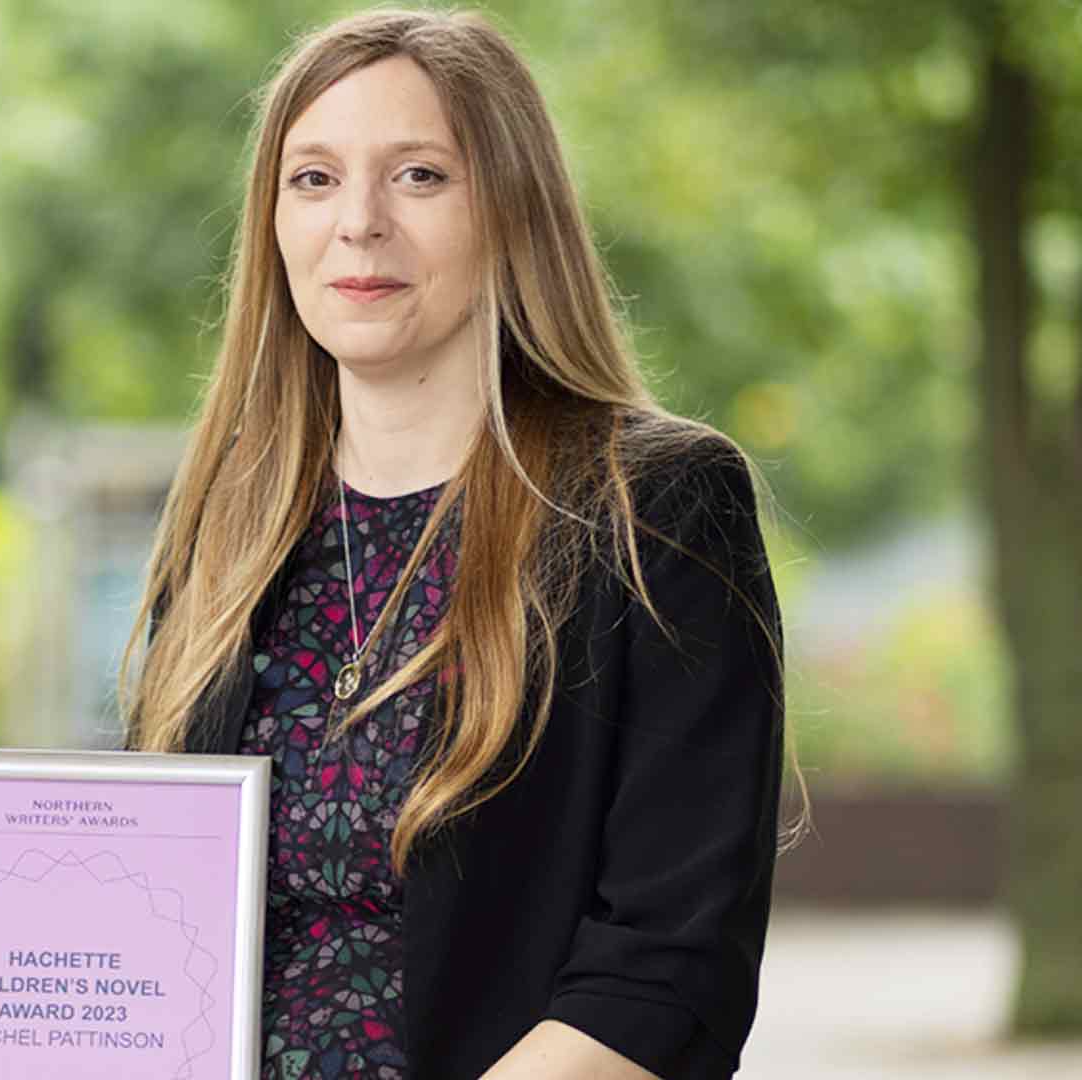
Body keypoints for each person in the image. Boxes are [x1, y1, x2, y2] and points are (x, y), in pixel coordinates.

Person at [120, 7, 808, 1080]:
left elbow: (668, 970)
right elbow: (141, 926)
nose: (359, 223)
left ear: (513, 211)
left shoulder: (655, 503)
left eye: (421, 176)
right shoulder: (226, 525)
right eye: (313, 179)